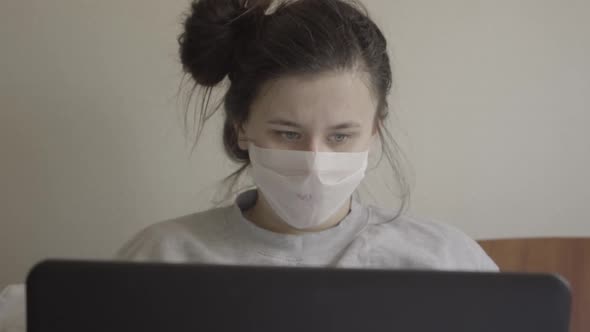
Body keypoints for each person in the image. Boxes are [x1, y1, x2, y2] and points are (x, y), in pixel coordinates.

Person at [116, 0, 498, 271]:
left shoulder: (447, 262)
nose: (314, 162)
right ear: (241, 126)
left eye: (340, 137)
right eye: (287, 133)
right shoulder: (162, 259)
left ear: (374, 130)